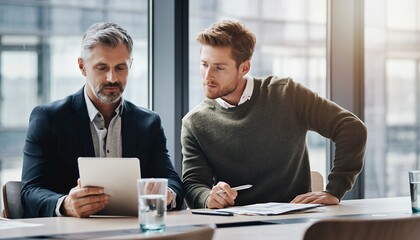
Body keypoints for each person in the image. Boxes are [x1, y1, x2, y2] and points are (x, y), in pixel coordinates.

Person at [181, 20, 367, 209]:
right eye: (204, 64)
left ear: (244, 68)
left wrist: (335, 190)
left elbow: (351, 128)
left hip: (294, 221)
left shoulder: (286, 93)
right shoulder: (195, 122)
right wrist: (207, 198)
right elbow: (193, 184)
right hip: (235, 226)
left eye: (219, 67)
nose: (207, 76)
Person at [21, 22, 184, 218]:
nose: (112, 78)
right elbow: (30, 191)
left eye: (120, 68)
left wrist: (166, 194)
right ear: (82, 66)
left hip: (134, 231)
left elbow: (172, 181)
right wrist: (64, 204)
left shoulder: (148, 123)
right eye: (102, 67)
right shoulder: (49, 119)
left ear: (130, 64)